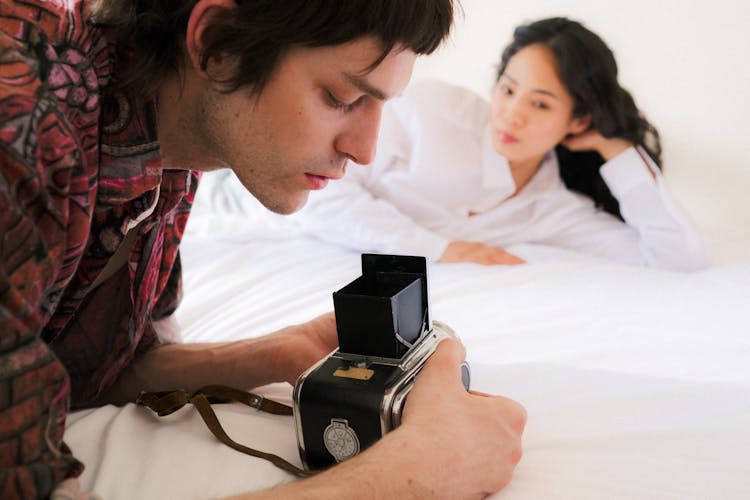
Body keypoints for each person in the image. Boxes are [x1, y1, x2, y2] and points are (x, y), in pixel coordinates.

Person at [0, 1, 526, 499]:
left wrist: (277, 352)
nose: (364, 150)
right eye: (341, 99)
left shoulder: (172, 146)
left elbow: (89, 367)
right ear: (217, 42)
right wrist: (412, 475)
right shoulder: (20, 116)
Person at [295, 17, 709, 271]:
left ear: (578, 119)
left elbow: (677, 258)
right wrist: (442, 249)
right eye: (508, 90)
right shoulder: (432, 110)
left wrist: (616, 148)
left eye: (541, 104)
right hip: (259, 213)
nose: (512, 114)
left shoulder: (554, 207)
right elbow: (321, 195)